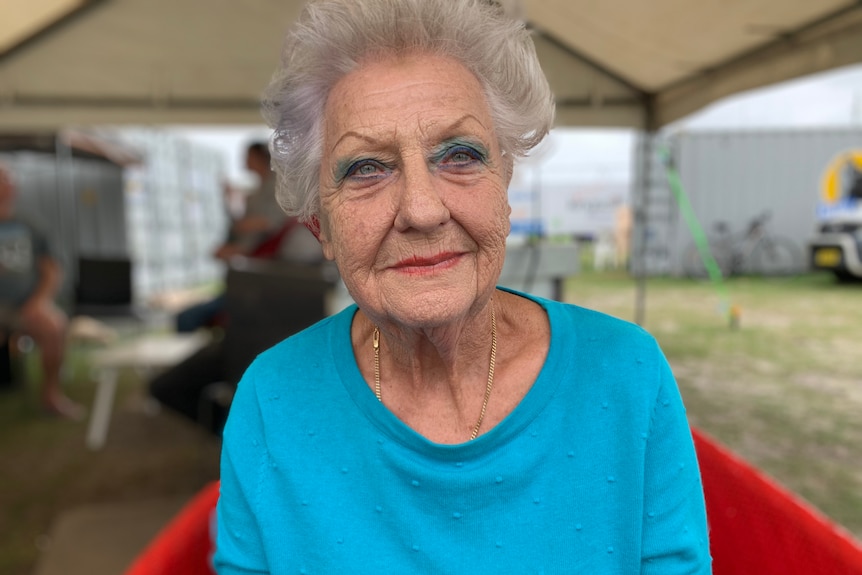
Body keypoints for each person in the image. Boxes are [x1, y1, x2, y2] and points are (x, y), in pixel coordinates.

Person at [214, 0, 712, 573]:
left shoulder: (627, 375)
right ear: (319, 224)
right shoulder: (272, 400)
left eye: (460, 155)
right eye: (366, 168)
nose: (422, 211)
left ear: (505, 185)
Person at [0, 164, 84, 419]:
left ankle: (51, 395)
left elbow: (52, 270)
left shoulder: (30, 225)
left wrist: (38, 302)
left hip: (25, 305)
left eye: (5, 180)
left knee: (54, 325)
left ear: (13, 188)